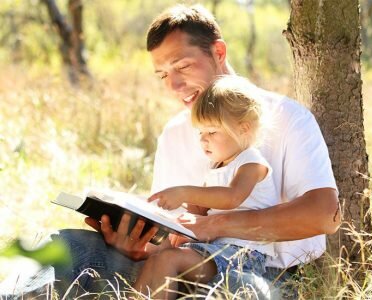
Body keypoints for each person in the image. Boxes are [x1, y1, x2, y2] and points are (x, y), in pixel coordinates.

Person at [3, 4, 340, 299]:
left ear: (218, 52)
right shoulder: (175, 134)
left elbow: (323, 215)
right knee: (59, 245)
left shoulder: (286, 117)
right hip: (174, 266)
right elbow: (168, 240)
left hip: (259, 274)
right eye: (163, 74)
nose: (173, 86)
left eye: (182, 67)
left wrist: (216, 225)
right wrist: (134, 246)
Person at [133, 75, 278, 299]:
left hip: (243, 256)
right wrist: (174, 223)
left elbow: (232, 197)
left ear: (243, 129)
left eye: (212, 132)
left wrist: (184, 191)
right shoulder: (215, 168)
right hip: (216, 250)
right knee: (159, 256)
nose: (203, 140)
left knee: (168, 260)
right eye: (200, 133)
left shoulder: (252, 162)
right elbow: (199, 210)